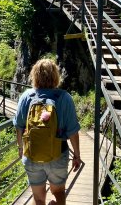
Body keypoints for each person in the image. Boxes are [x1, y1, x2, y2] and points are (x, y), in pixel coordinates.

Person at [13, 59, 81, 205]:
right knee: (58, 192)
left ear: (34, 75)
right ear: (56, 76)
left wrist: (20, 148)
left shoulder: (26, 96)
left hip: (32, 155)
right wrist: (76, 155)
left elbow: (19, 127)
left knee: (38, 198)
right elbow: (73, 131)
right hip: (58, 155)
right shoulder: (64, 97)